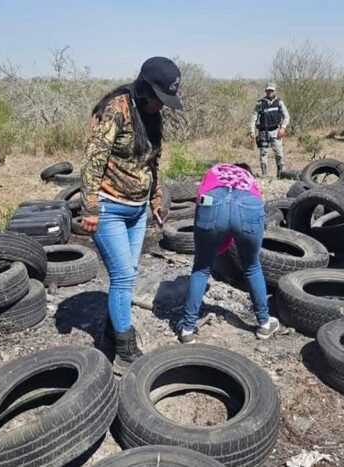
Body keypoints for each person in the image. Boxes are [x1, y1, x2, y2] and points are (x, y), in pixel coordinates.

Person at [79, 57, 183, 373]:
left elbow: (153, 163)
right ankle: (124, 350)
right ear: (143, 88)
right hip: (109, 207)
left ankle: (111, 334)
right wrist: (90, 207)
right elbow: (93, 160)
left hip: (137, 210)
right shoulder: (115, 110)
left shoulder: (153, 118)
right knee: (123, 276)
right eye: (158, 99)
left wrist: (154, 199)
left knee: (129, 272)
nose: (160, 106)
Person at [178, 162, 279, 344]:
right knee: (252, 266)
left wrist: (213, 248)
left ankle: (187, 329)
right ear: (245, 170)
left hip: (212, 201)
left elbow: (200, 203)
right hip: (249, 203)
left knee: (201, 268)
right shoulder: (249, 179)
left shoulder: (214, 171)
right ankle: (264, 323)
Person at [248, 83, 290, 177]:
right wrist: (252, 130)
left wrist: (283, 128)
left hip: (276, 131)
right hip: (263, 132)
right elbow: (254, 117)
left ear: (274, 91)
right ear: (265, 91)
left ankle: (280, 174)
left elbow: (286, 116)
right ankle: (264, 174)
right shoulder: (260, 103)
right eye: (268, 90)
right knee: (263, 153)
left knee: (279, 154)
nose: (269, 92)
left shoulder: (279, 102)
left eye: (271, 90)